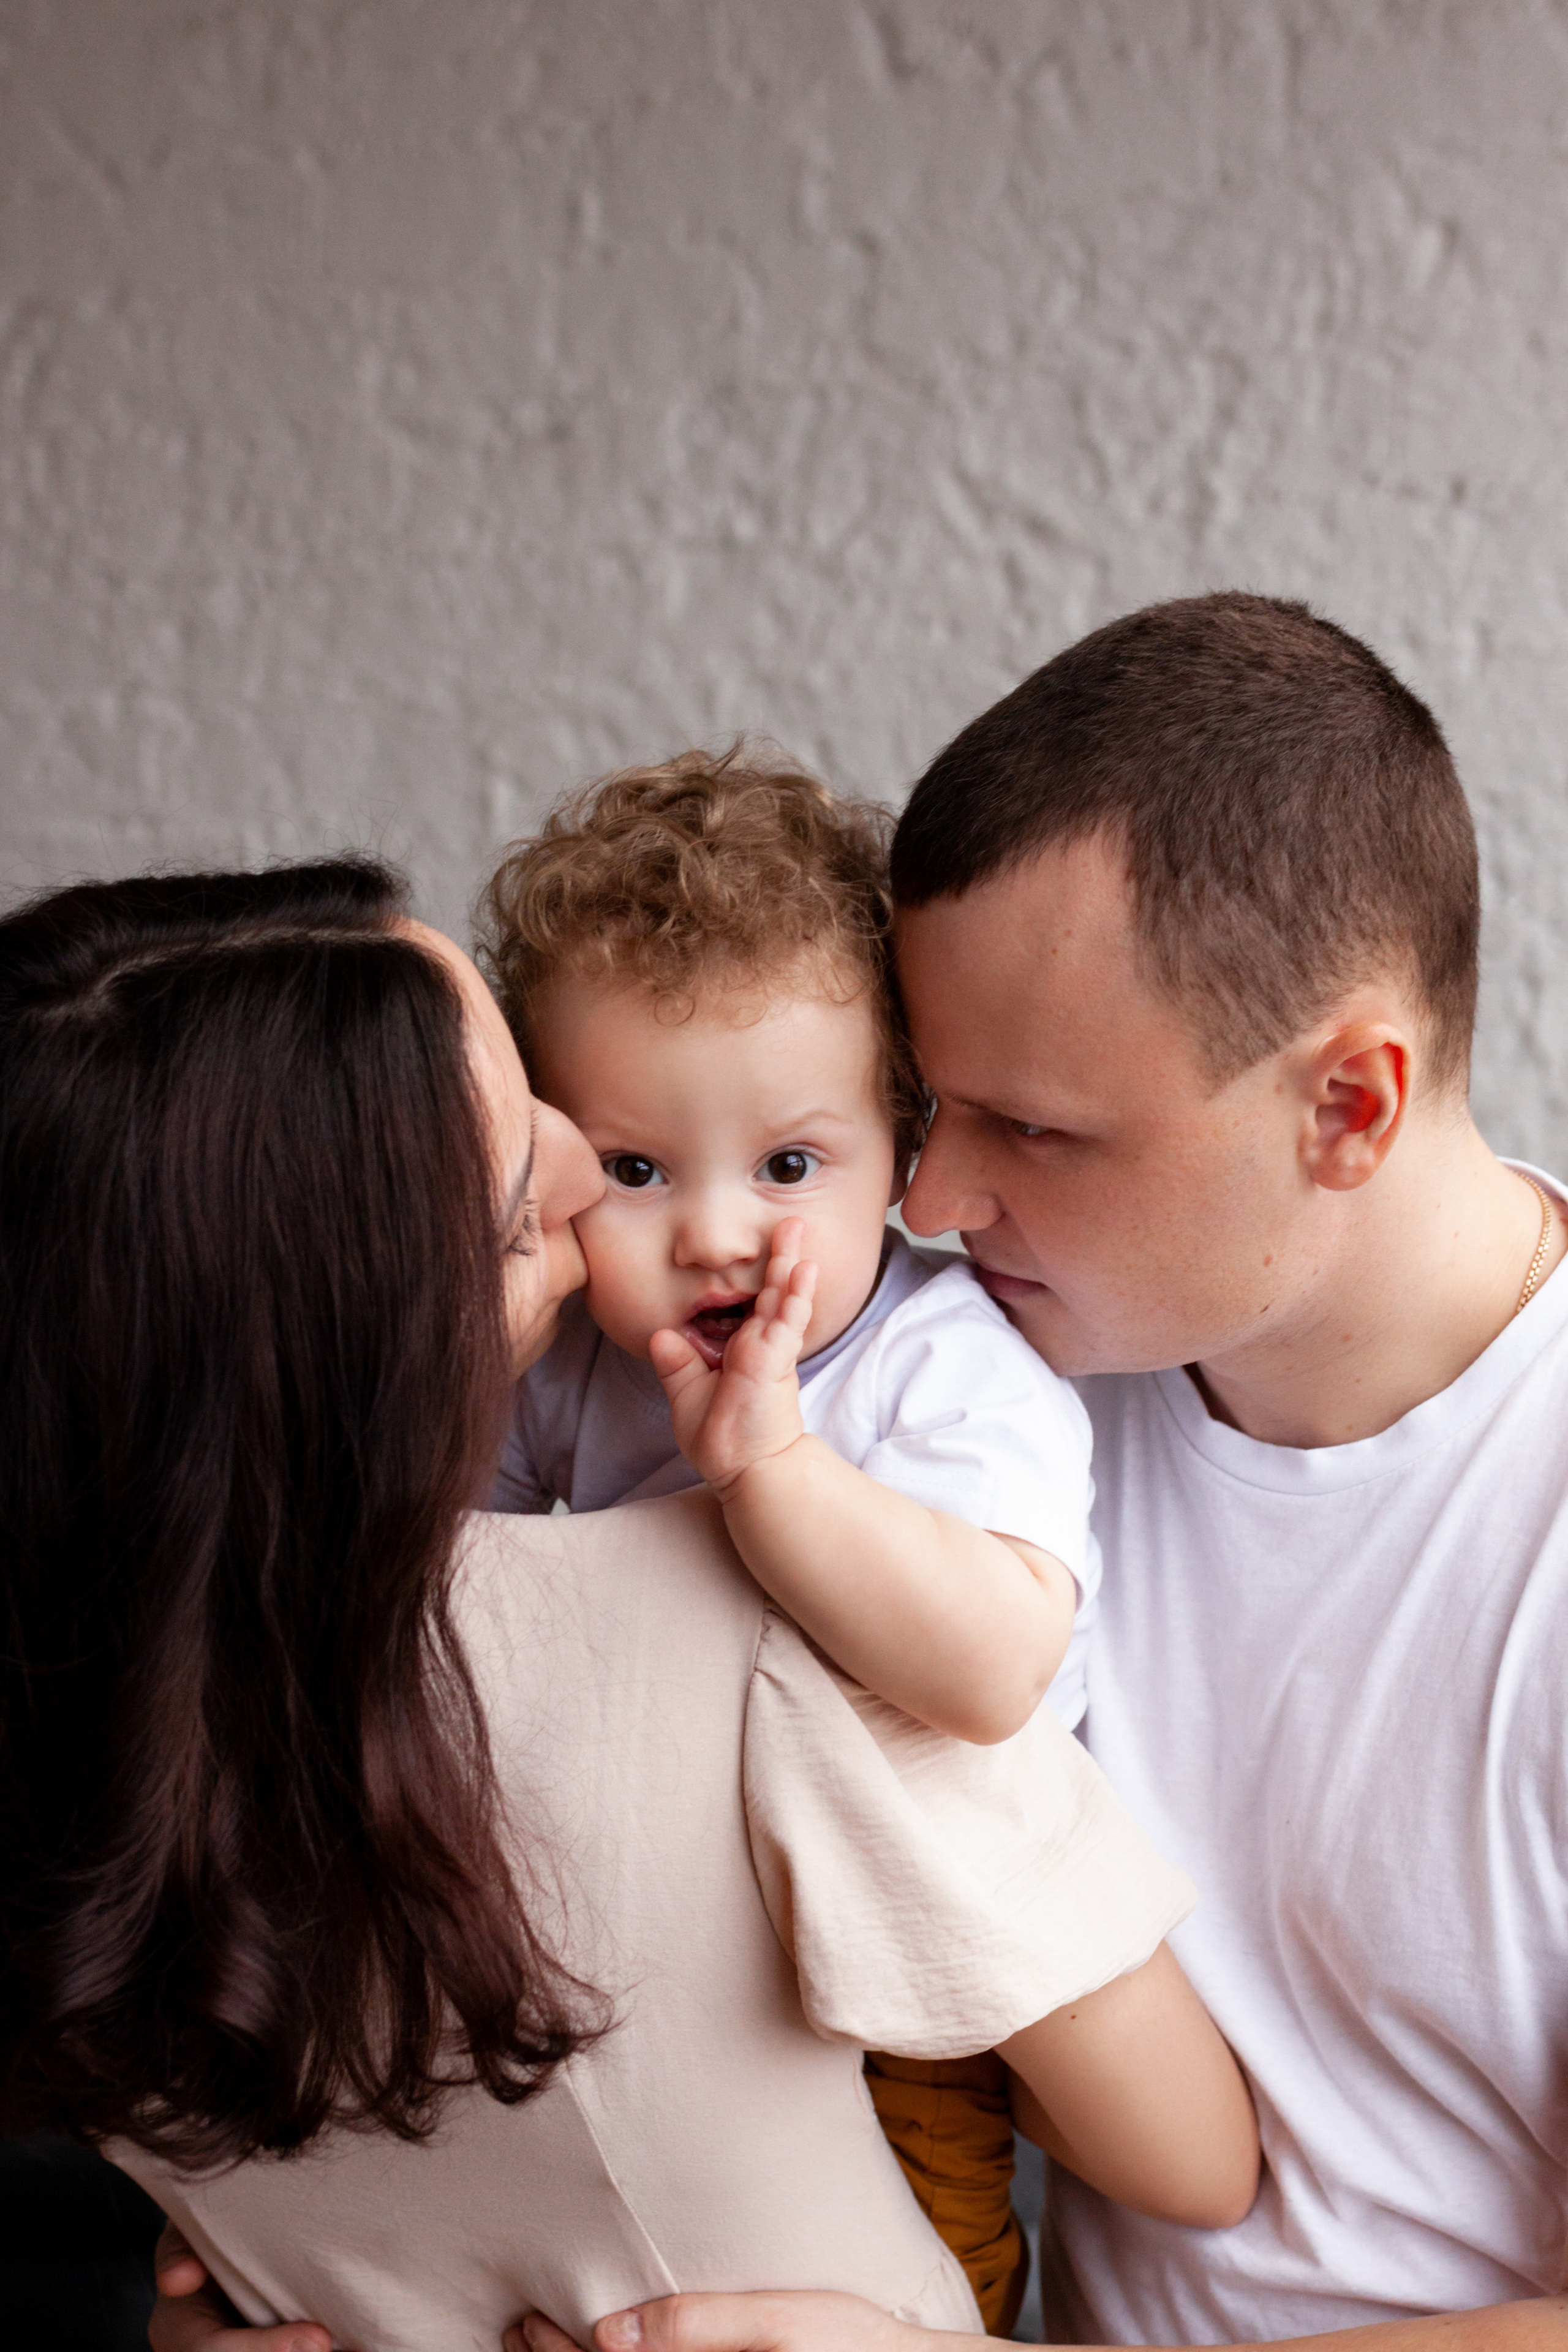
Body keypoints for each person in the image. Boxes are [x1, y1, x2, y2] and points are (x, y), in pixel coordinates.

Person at [0, 856, 1254, 2352]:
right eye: (534, 1191)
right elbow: (1190, 2161)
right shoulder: (755, 1629)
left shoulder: (74, 1738)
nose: (587, 1184)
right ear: (375, 1327)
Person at [551, 590, 1568, 2352]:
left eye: (1031, 1128)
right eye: (928, 1111)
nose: (935, 1204)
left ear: (1348, 1106)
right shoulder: (962, 1384)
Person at [484, 748, 1114, 2327]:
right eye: (634, 1171)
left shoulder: (939, 1362)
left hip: (904, 1956)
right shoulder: (572, 1365)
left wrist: (770, 1467)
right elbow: (452, 1595)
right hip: (643, 1944)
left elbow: (991, 1673)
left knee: (895, 2276)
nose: (715, 1233)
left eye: (785, 1165)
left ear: (901, 1146)